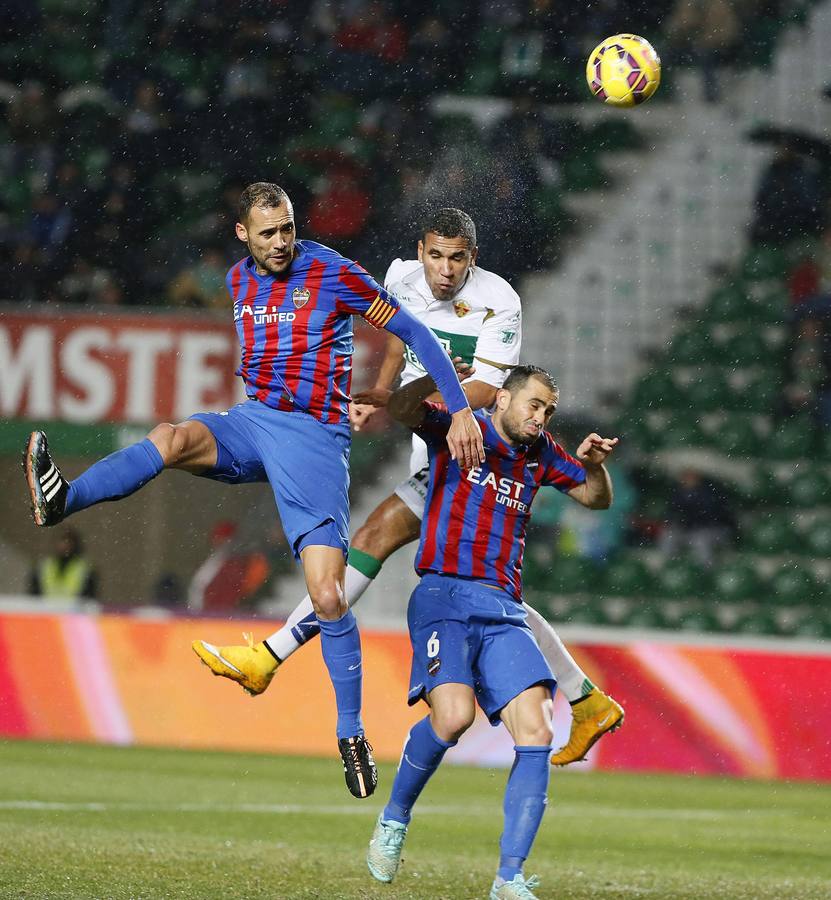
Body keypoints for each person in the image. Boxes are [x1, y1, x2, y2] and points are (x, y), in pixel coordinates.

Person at [23, 182, 484, 800]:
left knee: (326, 594)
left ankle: (350, 733)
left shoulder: (333, 272)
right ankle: (62, 501)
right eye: (267, 233)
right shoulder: (239, 282)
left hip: (314, 442)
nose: (280, 242)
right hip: (254, 422)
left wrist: (456, 412)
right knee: (172, 437)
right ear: (243, 234)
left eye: (287, 229)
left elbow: (419, 337)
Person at [193, 208, 623, 766]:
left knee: (379, 537)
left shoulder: (501, 300)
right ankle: (586, 698)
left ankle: (270, 657)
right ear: (420, 252)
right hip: (436, 447)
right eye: (436, 256)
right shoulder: (398, 278)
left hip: (477, 454)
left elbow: (490, 390)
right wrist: (377, 394)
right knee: (490, 593)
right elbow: (397, 340)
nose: (445, 270)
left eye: (458, 258)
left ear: (474, 258)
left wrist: (415, 404)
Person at [365, 364, 618, 900]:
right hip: (443, 598)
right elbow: (404, 410)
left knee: (538, 730)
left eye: (548, 409)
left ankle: (508, 879)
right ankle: (393, 819)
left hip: (504, 609)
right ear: (502, 398)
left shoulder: (543, 452)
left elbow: (597, 500)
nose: (541, 416)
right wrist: (435, 381)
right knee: (453, 718)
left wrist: (594, 468)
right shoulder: (462, 428)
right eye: (533, 404)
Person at [29, 527, 97, 601]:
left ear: (75, 544)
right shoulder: (44, 566)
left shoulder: (85, 569)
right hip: (46, 611)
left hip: (73, 611)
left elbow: (88, 598)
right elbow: (33, 596)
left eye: (68, 541)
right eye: (62, 541)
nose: (64, 545)